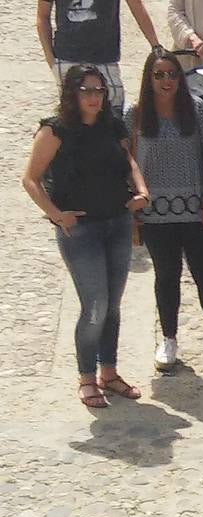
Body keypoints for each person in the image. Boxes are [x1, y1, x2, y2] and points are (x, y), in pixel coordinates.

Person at [23, 64, 149, 408]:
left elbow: (129, 160)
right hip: (81, 229)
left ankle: (109, 371)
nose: (94, 98)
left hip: (117, 221)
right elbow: (30, 179)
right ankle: (86, 377)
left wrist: (141, 190)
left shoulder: (111, 125)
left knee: (113, 305)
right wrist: (55, 214)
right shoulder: (56, 130)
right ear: (73, 94)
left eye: (99, 91)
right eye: (87, 91)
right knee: (95, 305)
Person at [129, 48, 203, 373]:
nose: (167, 81)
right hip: (155, 214)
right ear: (149, 79)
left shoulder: (197, 110)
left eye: (172, 74)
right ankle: (169, 339)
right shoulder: (136, 114)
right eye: (159, 75)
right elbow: (128, 159)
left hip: (196, 210)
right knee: (167, 277)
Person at [36, 0, 160, 112]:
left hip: (104, 57)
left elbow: (136, 5)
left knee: (113, 112)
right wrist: (51, 58)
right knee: (72, 116)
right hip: (67, 57)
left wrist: (155, 45)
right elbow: (43, 16)